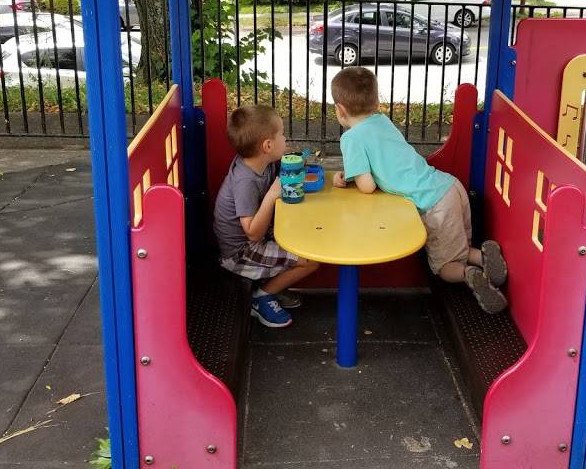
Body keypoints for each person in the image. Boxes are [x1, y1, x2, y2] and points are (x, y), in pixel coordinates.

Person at [330, 67, 508, 313]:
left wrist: (352, 177)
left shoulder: (351, 138)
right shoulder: (382, 121)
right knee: (456, 245)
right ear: (377, 101)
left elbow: (367, 186)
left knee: (446, 266)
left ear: (339, 109)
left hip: (434, 204)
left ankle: (469, 274)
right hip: (450, 187)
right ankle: (483, 256)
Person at [213, 105, 320, 327]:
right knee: (311, 261)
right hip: (240, 252)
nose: (286, 137)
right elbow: (252, 234)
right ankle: (261, 297)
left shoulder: (264, 162)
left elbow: (285, 170)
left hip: (256, 238)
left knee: (306, 237)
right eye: (281, 133)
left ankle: (274, 287)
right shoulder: (246, 181)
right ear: (267, 146)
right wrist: (272, 196)